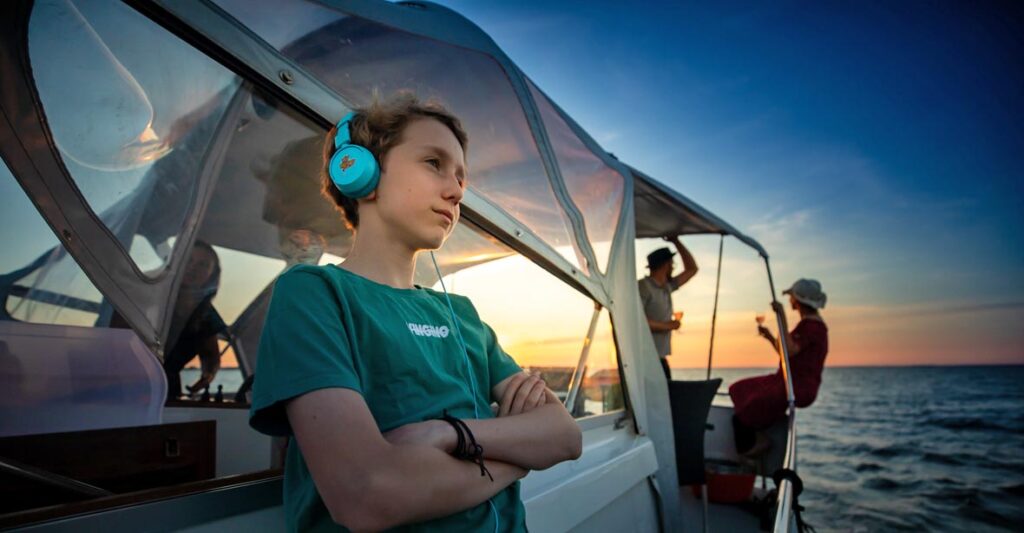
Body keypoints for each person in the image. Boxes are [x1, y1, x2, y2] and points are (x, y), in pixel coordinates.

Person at [248, 94, 581, 532]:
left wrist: (447, 434)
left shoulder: (462, 315)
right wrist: (519, 458)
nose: (457, 189)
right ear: (358, 172)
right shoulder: (314, 293)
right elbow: (368, 494)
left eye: (461, 176)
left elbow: (564, 437)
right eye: (433, 163)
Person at [729, 279, 829, 455]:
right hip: (786, 380)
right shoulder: (811, 325)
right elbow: (787, 354)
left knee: (745, 402)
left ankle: (757, 444)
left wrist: (780, 315)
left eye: (791, 297)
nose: (790, 300)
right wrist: (769, 337)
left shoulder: (812, 326)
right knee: (738, 389)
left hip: (796, 386)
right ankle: (759, 435)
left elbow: (789, 351)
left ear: (797, 300)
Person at [163, 240, 227, 400]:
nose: (192, 267)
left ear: (212, 274)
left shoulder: (206, 314)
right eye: (188, 260)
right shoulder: (152, 300)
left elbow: (210, 356)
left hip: (168, 391)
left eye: (203, 265)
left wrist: (207, 375)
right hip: (125, 386)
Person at [637, 236, 699, 380]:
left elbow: (692, 269)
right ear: (666, 265)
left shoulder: (666, 287)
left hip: (660, 357)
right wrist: (669, 325)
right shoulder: (643, 287)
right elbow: (638, 321)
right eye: (672, 263)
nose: (673, 267)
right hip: (646, 360)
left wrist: (676, 241)